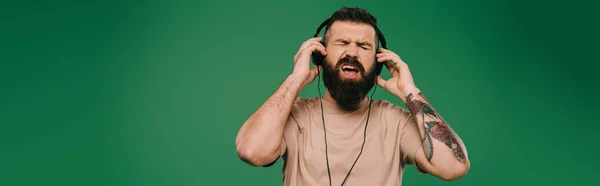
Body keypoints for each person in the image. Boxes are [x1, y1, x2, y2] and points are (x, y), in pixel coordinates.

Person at [235, 7, 470, 186]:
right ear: (320, 55)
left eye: (363, 46)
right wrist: (295, 79)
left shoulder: (396, 121)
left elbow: (454, 167)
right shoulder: (294, 114)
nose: (352, 52)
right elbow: (251, 151)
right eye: (342, 42)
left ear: (378, 63)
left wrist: (410, 91)